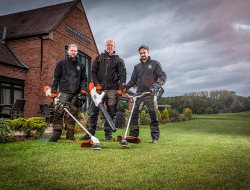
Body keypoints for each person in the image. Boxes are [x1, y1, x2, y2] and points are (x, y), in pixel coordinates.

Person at [84, 40, 126, 140]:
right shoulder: (99, 58)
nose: (110, 46)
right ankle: (90, 133)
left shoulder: (118, 60)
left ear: (114, 47)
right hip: (99, 90)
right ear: (105, 46)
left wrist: (121, 88)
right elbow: (93, 72)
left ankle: (108, 135)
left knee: (111, 112)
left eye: (111, 45)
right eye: (108, 45)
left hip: (113, 90)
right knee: (93, 111)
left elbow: (123, 75)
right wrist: (97, 84)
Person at [126, 45, 166, 144]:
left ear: (148, 52)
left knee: (153, 115)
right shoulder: (137, 67)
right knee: (134, 115)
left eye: (144, 52)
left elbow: (163, 76)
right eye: (141, 53)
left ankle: (155, 138)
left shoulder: (155, 64)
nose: (142, 55)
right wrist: (124, 87)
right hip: (139, 94)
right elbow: (132, 80)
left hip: (150, 93)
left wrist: (157, 85)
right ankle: (133, 136)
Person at [49, 44, 87, 142]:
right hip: (64, 92)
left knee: (73, 114)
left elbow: (84, 79)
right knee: (59, 112)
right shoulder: (61, 63)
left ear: (77, 52)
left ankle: (70, 136)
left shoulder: (81, 65)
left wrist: (83, 90)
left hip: (76, 94)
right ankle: (56, 136)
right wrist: (53, 91)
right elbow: (56, 78)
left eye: (75, 50)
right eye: (71, 50)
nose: (73, 52)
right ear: (68, 51)